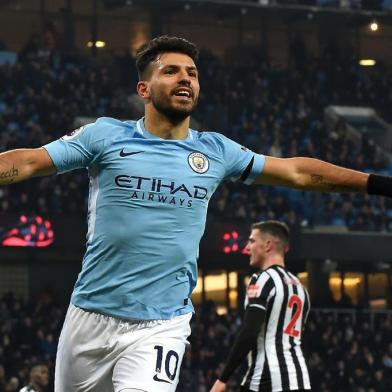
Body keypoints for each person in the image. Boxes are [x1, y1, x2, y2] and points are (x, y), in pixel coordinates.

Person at [0, 35, 391, 391]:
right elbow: (31, 162)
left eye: (192, 73)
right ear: (144, 89)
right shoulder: (105, 136)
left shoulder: (216, 151)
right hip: (89, 316)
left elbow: (297, 171)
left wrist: (377, 183)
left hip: (161, 324)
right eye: (170, 71)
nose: (184, 78)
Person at [210, 221, 311, 392]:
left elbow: (249, 333)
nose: (247, 247)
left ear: (268, 245)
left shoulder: (262, 279)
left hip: (268, 377)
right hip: (300, 378)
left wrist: (223, 378)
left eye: (252, 241)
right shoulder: (300, 287)